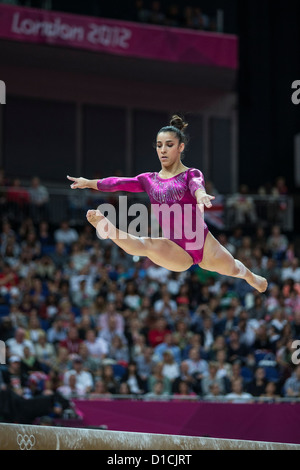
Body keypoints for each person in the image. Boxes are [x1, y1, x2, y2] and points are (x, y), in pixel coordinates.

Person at [67, 115, 267, 293]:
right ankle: (107, 228)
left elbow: (196, 184)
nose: (162, 150)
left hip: (203, 243)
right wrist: (89, 183)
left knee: (233, 269)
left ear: (180, 147)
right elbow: (118, 183)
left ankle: (251, 277)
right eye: (159, 145)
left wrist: (201, 194)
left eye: (169, 145)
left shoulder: (191, 173)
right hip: (174, 247)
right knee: (147, 245)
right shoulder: (149, 179)